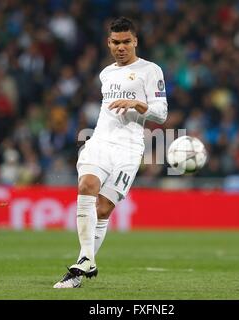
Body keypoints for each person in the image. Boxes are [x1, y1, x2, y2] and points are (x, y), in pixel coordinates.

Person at [53, 17, 168, 288]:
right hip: (100, 141)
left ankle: (83, 264)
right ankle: (85, 260)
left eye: (126, 41)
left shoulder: (151, 70)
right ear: (108, 43)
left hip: (129, 149)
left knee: (103, 209)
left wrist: (138, 105)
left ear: (135, 41)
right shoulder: (105, 74)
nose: (121, 47)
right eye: (116, 42)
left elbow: (162, 114)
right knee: (87, 184)